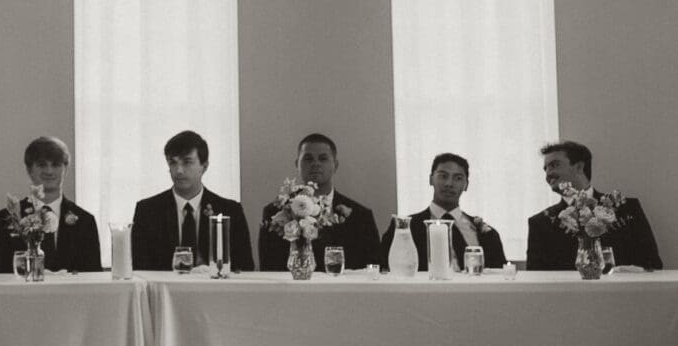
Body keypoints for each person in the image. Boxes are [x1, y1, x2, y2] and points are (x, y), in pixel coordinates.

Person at [525, 140, 663, 271]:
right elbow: (536, 277)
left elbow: (653, 263)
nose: (548, 173)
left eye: (554, 165)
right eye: (546, 169)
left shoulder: (627, 209)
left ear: (579, 167)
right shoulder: (540, 223)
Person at [130, 129, 254, 273]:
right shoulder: (148, 211)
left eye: (187, 162)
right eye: (173, 163)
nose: (179, 170)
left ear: (204, 166)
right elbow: (140, 269)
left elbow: (244, 267)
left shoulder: (229, 210)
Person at [258, 132, 380, 270]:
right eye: (308, 159)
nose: (316, 164)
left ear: (336, 165)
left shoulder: (361, 216)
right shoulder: (275, 213)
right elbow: (269, 269)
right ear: (297, 164)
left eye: (323, 159)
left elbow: (372, 271)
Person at [0, 135, 101, 273]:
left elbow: (93, 275)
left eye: (56, 164)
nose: (49, 171)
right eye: (42, 164)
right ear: (29, 169)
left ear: (66, 169)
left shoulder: (85, 221)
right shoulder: (6, 218)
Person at [379, 152, 506, 272]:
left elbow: (499, 277)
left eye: (458, 178)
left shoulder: (486, 233)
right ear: (431, 179)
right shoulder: (405, 228)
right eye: (443, 176)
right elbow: (385, 270)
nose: (449, 183)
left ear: (466, 185)